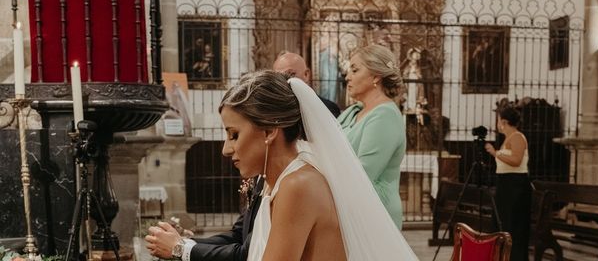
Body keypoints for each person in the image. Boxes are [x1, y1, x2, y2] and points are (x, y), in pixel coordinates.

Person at [147, 72, 417, 261]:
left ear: (269, 132)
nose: (226, 149)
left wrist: (182, 250)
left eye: (234, 134)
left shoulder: (298, 184)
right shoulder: (281, 179)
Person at [338, 44, 406, 229]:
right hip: (348, 206)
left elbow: (364, 173)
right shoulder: (353, 111)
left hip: (374, 213)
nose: (347, 76)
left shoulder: (385, 116)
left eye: (355, 70)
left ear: (376, 76)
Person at [484, 105, 531, 261]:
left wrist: (495, 153)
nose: (497, 124)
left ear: (503, 121)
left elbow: (516, 161)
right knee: (502, 224)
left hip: (515, 186)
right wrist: (496, 154)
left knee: (513, 225)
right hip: (505, 184)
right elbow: (506, 162)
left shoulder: (518, 137)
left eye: (498, 120)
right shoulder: (507, 139)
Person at [272, 51, 340, 117]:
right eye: (279, 77)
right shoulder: (273, 110)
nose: (284, 81)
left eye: (291, 74)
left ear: (306, 74)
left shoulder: (329, 109)